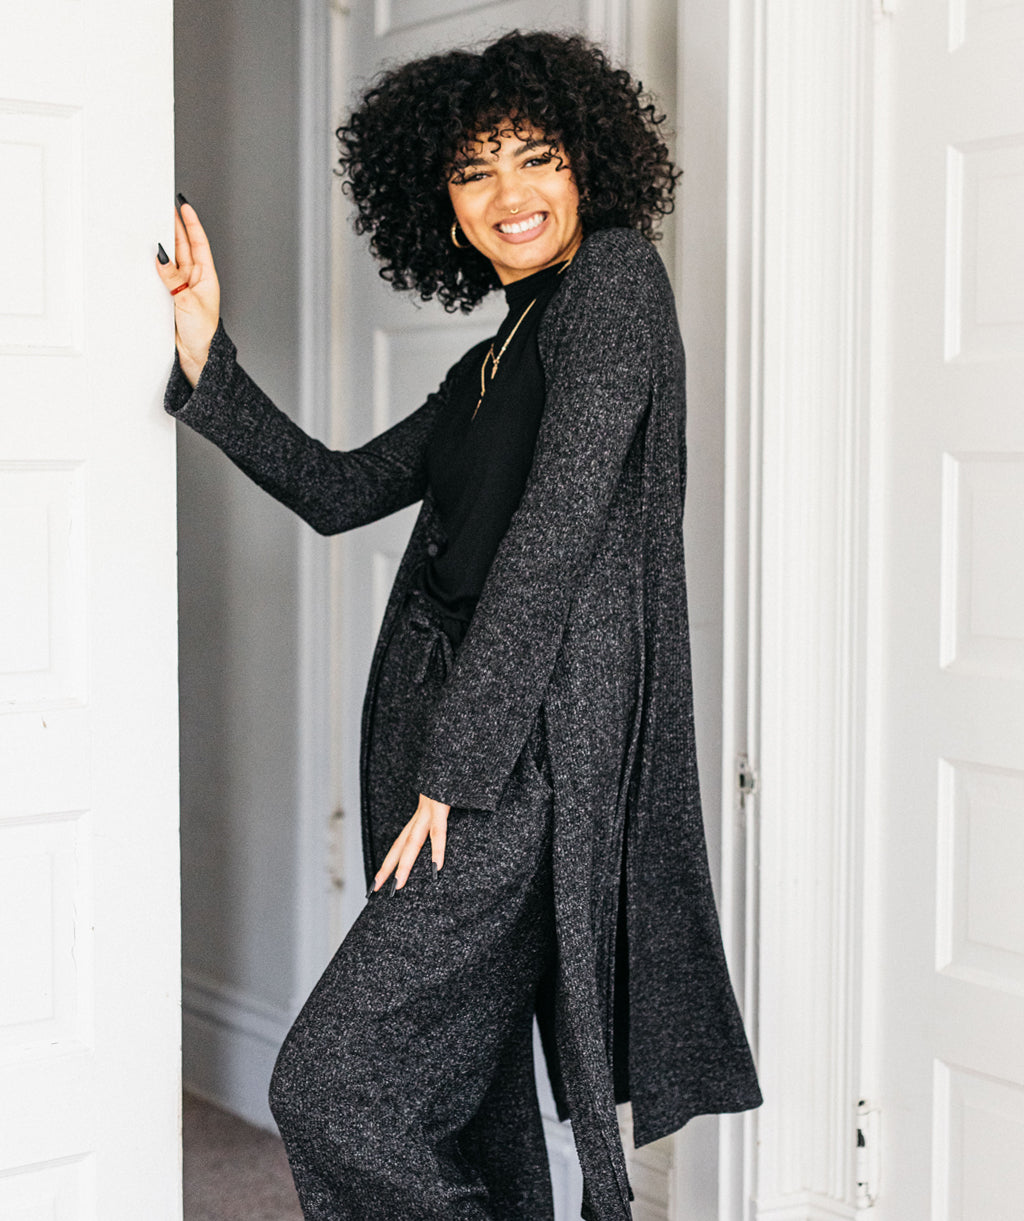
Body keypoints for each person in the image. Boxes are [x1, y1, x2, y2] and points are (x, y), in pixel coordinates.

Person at [155, 28, 761, 1221]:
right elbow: (338, 490)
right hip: (445, 724)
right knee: (455, 1085)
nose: (508, 194)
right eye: (474, 171)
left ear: (589, 164)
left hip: (520, 755)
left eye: (536, 157)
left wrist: (459, 771)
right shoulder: (494, 357)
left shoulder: (615, 288)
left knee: (332, 1086)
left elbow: (552, 544)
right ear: (439, 201)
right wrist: (206, 355)